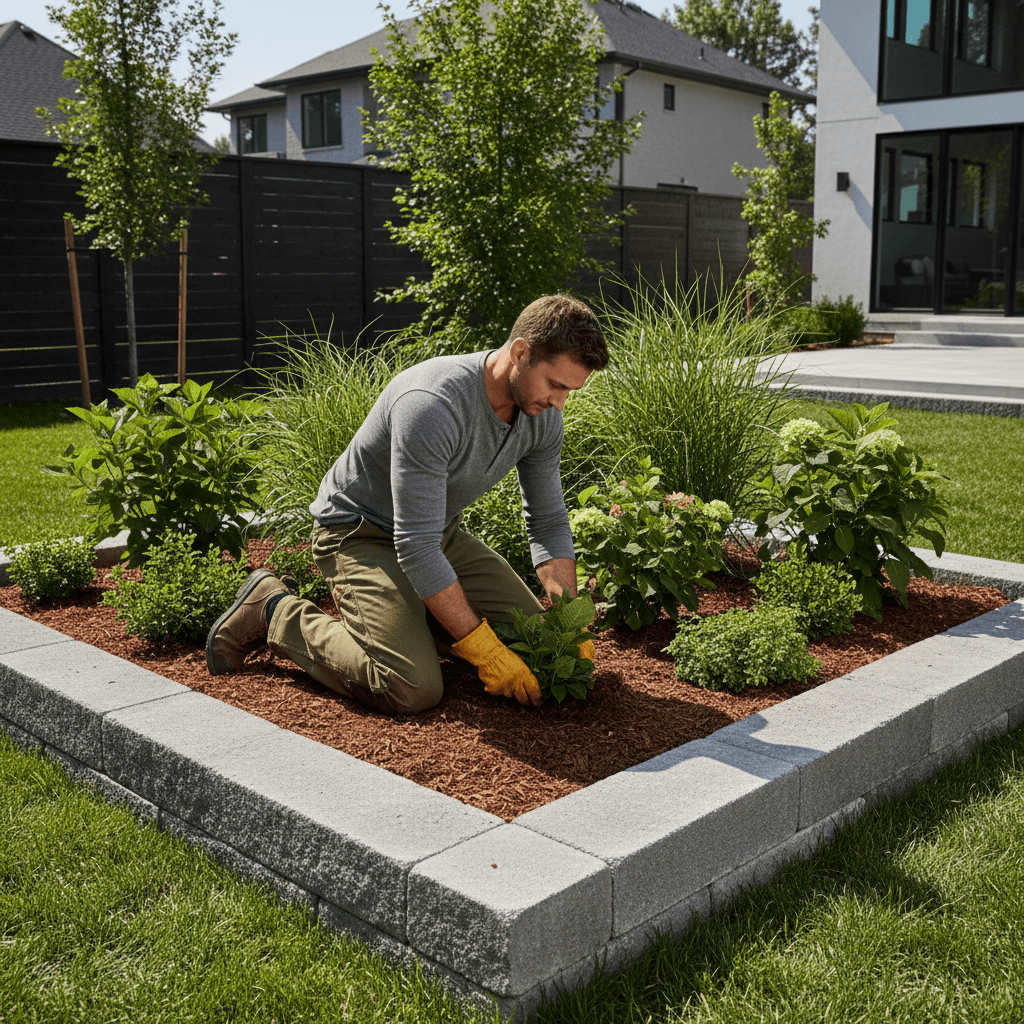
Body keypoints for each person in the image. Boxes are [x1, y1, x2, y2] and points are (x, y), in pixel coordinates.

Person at [205, 294, 608, 715]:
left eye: (571, 390)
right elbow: (415, 545)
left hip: (436, 534)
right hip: (357, 534)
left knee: (539, 645)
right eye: (556, 385)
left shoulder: (542, 417)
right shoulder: (433, 404)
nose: (560, 403)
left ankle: (417, 617)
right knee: (410, 686)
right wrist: (482, 648)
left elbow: (546, 520)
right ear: (521, 352)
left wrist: (569, 623)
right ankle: (273, 610)